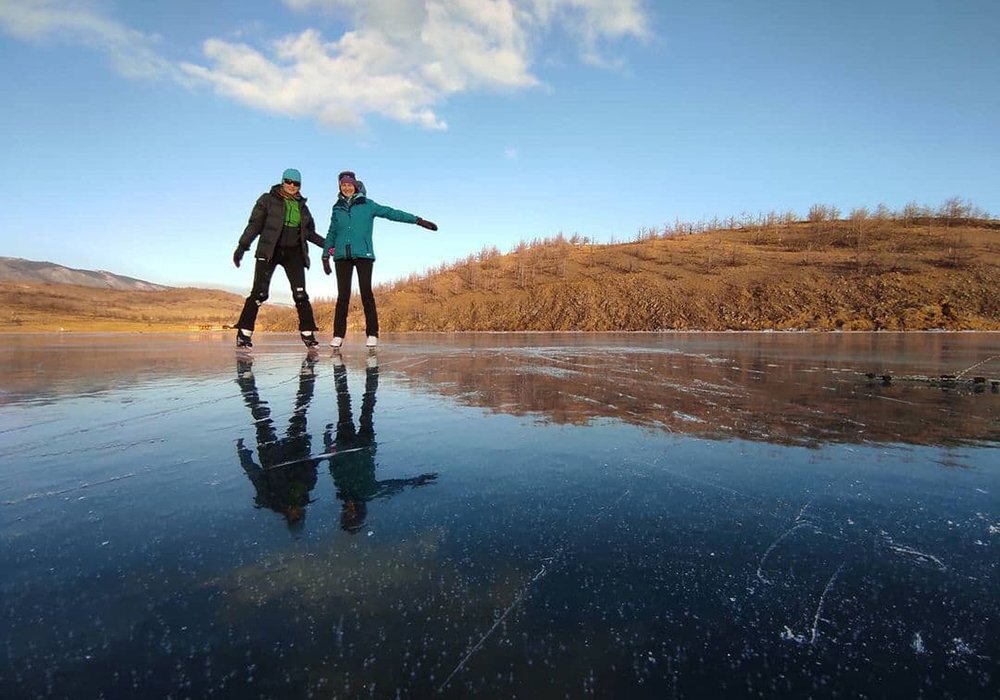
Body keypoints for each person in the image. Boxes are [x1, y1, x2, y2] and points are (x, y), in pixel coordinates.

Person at [322, 170, 438, 348]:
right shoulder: (336, 208)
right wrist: (325, 254)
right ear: (340, 187)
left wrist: (417, 220)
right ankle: (338, 335)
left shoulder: (368, 205)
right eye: (343, 185)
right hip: (342, 256)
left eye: (349, 184)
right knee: (343, 296)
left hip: (363, 255)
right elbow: (332, 231)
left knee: (366, 293)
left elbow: (391, 213)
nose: (346, 188)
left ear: (355, 185)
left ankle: (372, 333)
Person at [325, 355, 437, 533]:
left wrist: (327, 441)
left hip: (346, 443)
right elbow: (394, 485)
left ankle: (344, 370)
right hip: (364, 445)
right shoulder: (368, 492)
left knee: (345, 405)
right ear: (359, 513)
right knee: (366, 407)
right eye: (351, 515)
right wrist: (416, 480)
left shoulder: (342, 490)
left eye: (346, 514)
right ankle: (372, 371)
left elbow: (333, 465)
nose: (349, 510)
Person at [232, 168, 326, 349]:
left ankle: (308, 333)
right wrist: (242, 246)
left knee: (300, 294)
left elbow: (310, 234)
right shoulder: (267, 200)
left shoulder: (303, 208)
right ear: (283, 181)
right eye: (288, 181)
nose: (291, 185)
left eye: (296, 183)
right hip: (270, 251)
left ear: (300, 186)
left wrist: (329, 246)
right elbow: (254, 225)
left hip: (294, 253)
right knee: (259, 293)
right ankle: (244, 333)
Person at [235, 355, 321, 533]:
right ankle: (307, 375)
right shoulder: (306, 492)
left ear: (287, 518)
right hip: (296, 449)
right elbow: (311, 466)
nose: (295, 513)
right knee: (300, 411)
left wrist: (244, 455)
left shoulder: (270, 499)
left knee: (261, 417)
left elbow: (255, 475)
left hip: (271, 454)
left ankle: (246, 380)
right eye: (298, 516)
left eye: (293, 518)